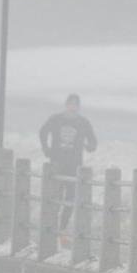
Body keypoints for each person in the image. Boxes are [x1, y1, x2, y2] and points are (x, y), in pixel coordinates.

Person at [39, 94, 98, 231]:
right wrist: (45, 148)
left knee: (70, 199)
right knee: (54, 196)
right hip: (56, 163)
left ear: (79, 107)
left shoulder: (83, 122)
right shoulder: (56, 119)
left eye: (76, 104)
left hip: (74, 165)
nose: (73, 107)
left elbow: (93, 142)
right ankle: (50, 227)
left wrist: (89, 147)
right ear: (66, 105)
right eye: (71, 104)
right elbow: (43, 132)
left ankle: (62, 229)